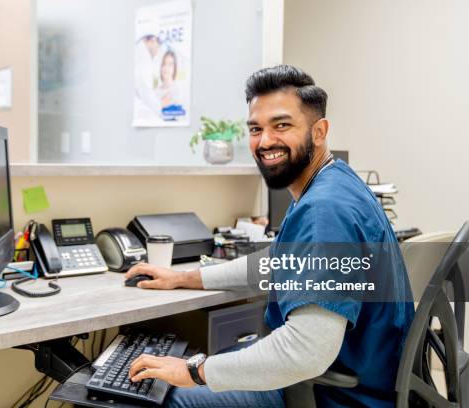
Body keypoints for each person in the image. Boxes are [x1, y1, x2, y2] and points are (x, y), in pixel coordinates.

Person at [125, 65, 414, 407]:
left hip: (336, 395)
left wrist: (194, 370)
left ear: (319, 131)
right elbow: (276, 262)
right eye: (255, 129)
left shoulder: (324, 210)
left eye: (282, 125)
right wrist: (184, 277)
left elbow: (305, 352)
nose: (265, 141)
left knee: (159, 398)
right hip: (358, 379)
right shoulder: (333, 182)